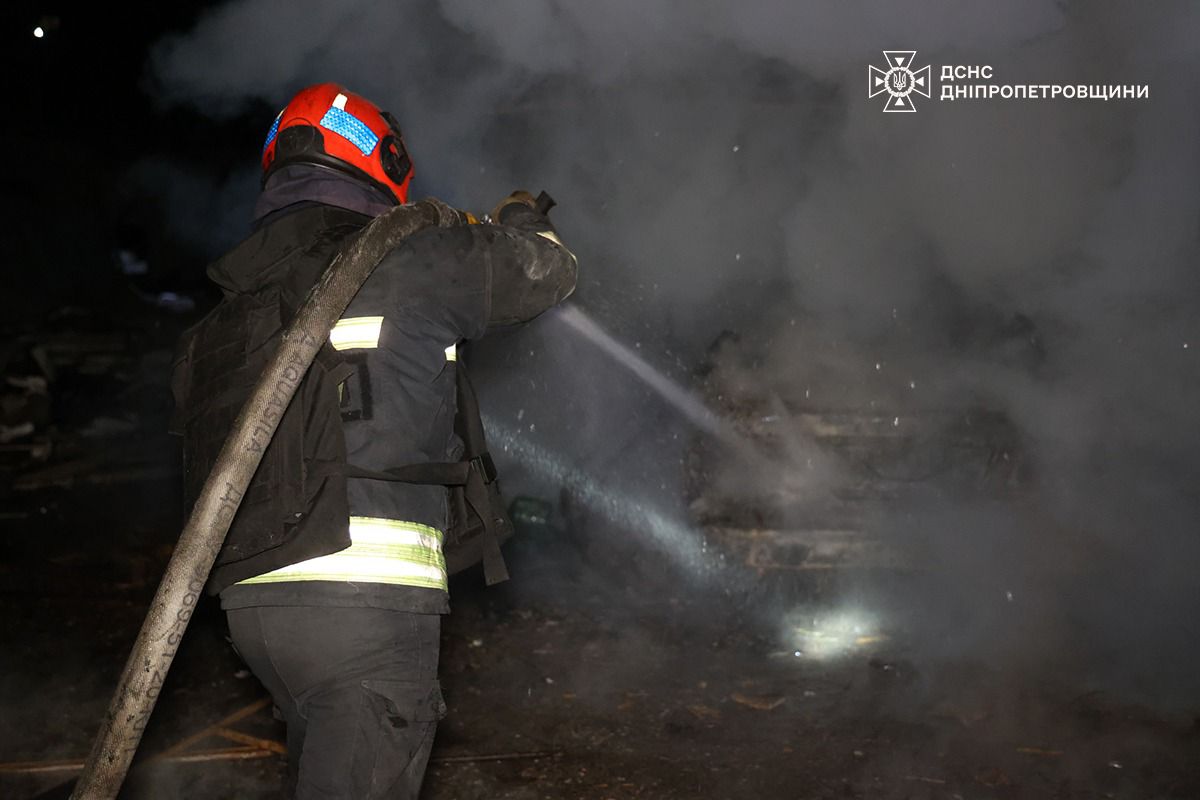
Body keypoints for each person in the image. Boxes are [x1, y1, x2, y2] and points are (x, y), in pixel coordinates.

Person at [170, 82, 577, 799]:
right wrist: (519, 218)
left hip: (253, 610)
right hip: (361, 605)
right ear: (381, 160)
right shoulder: (406, 259)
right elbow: (547, 273)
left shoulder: (238, 304)